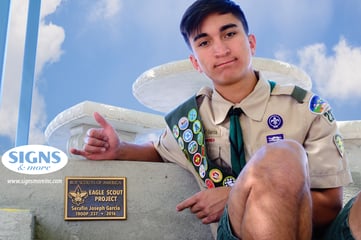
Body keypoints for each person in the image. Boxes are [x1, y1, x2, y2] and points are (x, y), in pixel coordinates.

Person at [71, 0, 361, 239]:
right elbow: (159, 151)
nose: (221, 49)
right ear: (196, 62)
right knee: (284, 157)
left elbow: (329, 206)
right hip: (239, 231)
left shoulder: (306, 108)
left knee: (283, 157)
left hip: (320, 232)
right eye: (205, 42)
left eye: (229, 34)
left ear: (251, 43)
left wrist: (246, 192)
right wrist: (118, 149)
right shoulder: (190, 120)